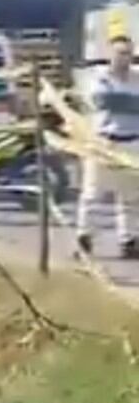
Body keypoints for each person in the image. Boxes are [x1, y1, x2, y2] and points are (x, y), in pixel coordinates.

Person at [78, 34, 138, 260]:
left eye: (128, 54)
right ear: (110, 54)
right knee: (92, 195)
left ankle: (128, 240)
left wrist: (124, 102)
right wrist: (131, 103)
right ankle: (85, 238)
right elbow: (102, 101)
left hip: (132, 141)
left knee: (131, 196)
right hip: (104, 142)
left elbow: (117, 102)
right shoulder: (98, 77)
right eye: (120, 53)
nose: (125, 58)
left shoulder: (137, 79)